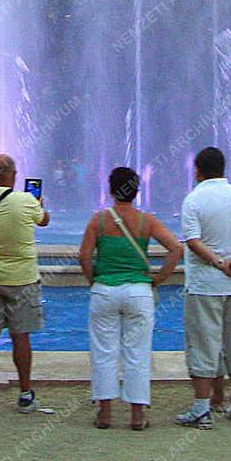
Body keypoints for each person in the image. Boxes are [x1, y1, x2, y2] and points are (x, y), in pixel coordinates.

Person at [78, 165, 182, 430]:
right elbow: (176, 249)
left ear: (111, 191)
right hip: (138, 291)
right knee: (138, 352)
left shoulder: (98, 221)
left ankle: (105, 414)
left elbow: (84, 255)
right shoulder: (147, 221)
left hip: (105, 290)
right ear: (137, 191)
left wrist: (94, 279)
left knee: (104, 352)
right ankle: (137, 415)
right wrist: (158, 279)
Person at [175, 146, 231, 428]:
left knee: (203, 343)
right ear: (224, 168)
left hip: (204, 284)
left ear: (197, 170)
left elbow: (192, 241)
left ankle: (202, 408)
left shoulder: (194, 200)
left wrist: (219, 263)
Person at [0, 153, 50, 412]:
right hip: (22, 280)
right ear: (14, 176)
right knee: (21, 337)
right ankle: (25, 394)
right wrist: (39, 203)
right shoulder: (26, 201)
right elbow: (44, 220)